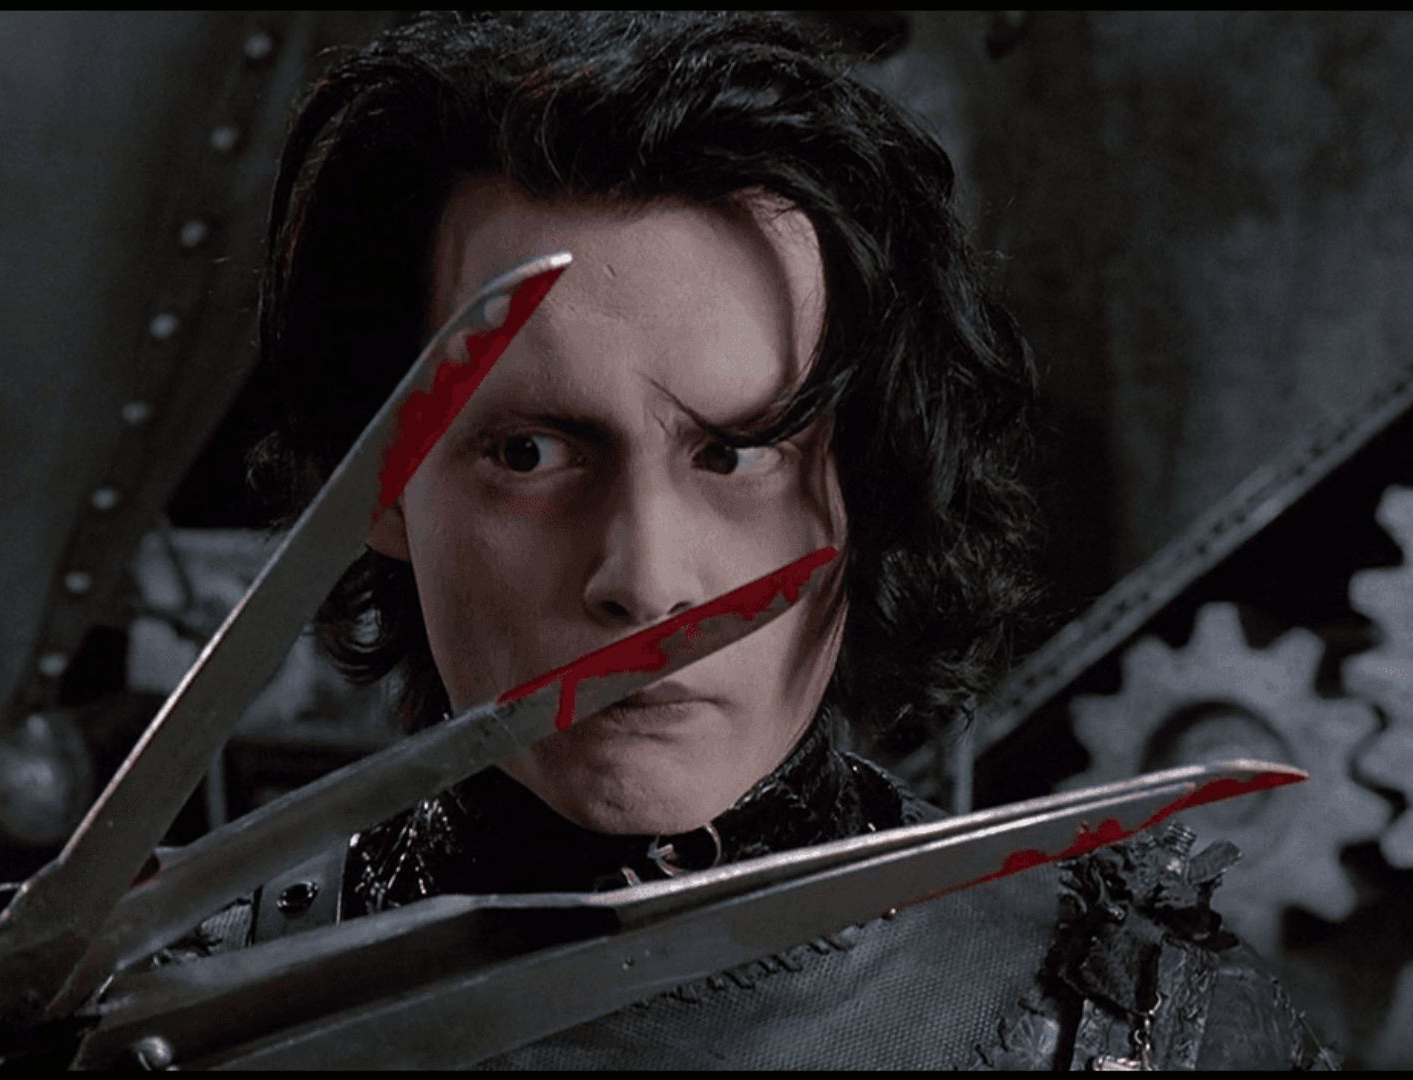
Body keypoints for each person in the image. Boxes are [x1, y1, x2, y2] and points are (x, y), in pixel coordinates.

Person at [247, 10, 1333, 1069]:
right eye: (529, 455)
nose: (646, 582)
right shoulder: (203, 1001)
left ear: (869, 481)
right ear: (377, 487)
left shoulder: (1132, 1036)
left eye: (738, 453)